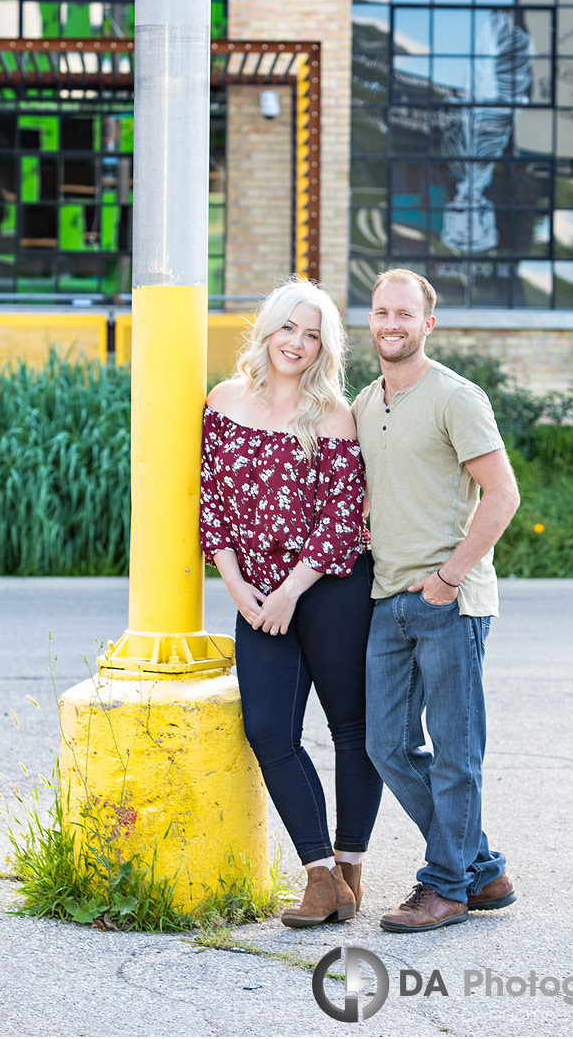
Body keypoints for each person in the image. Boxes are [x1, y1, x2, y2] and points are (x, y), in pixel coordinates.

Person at [199, 276, 383, 928]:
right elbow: (211, 500)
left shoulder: (332, 412)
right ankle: (321, 876)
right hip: (254, 592)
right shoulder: (223, 402)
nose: (296, 344)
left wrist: (289, 589)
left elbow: (342, 516)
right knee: (268, 730)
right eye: (288, 328)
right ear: (267, 329)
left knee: (353, 730)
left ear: (323, 347)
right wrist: (235, 583)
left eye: (312, 334)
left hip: (329, 585)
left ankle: (350, 861)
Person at [351, 268, 520, 933]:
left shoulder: (456, 397)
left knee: (454, 749)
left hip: (449, 601)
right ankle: (479, 867)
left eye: (404, 314)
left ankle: (445, 885)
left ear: (427, 324)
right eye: (380, 312)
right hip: (387, 598)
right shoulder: (366, 402)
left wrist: (448, 576)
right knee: (386, 745)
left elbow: (502, 495)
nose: (390, 324)